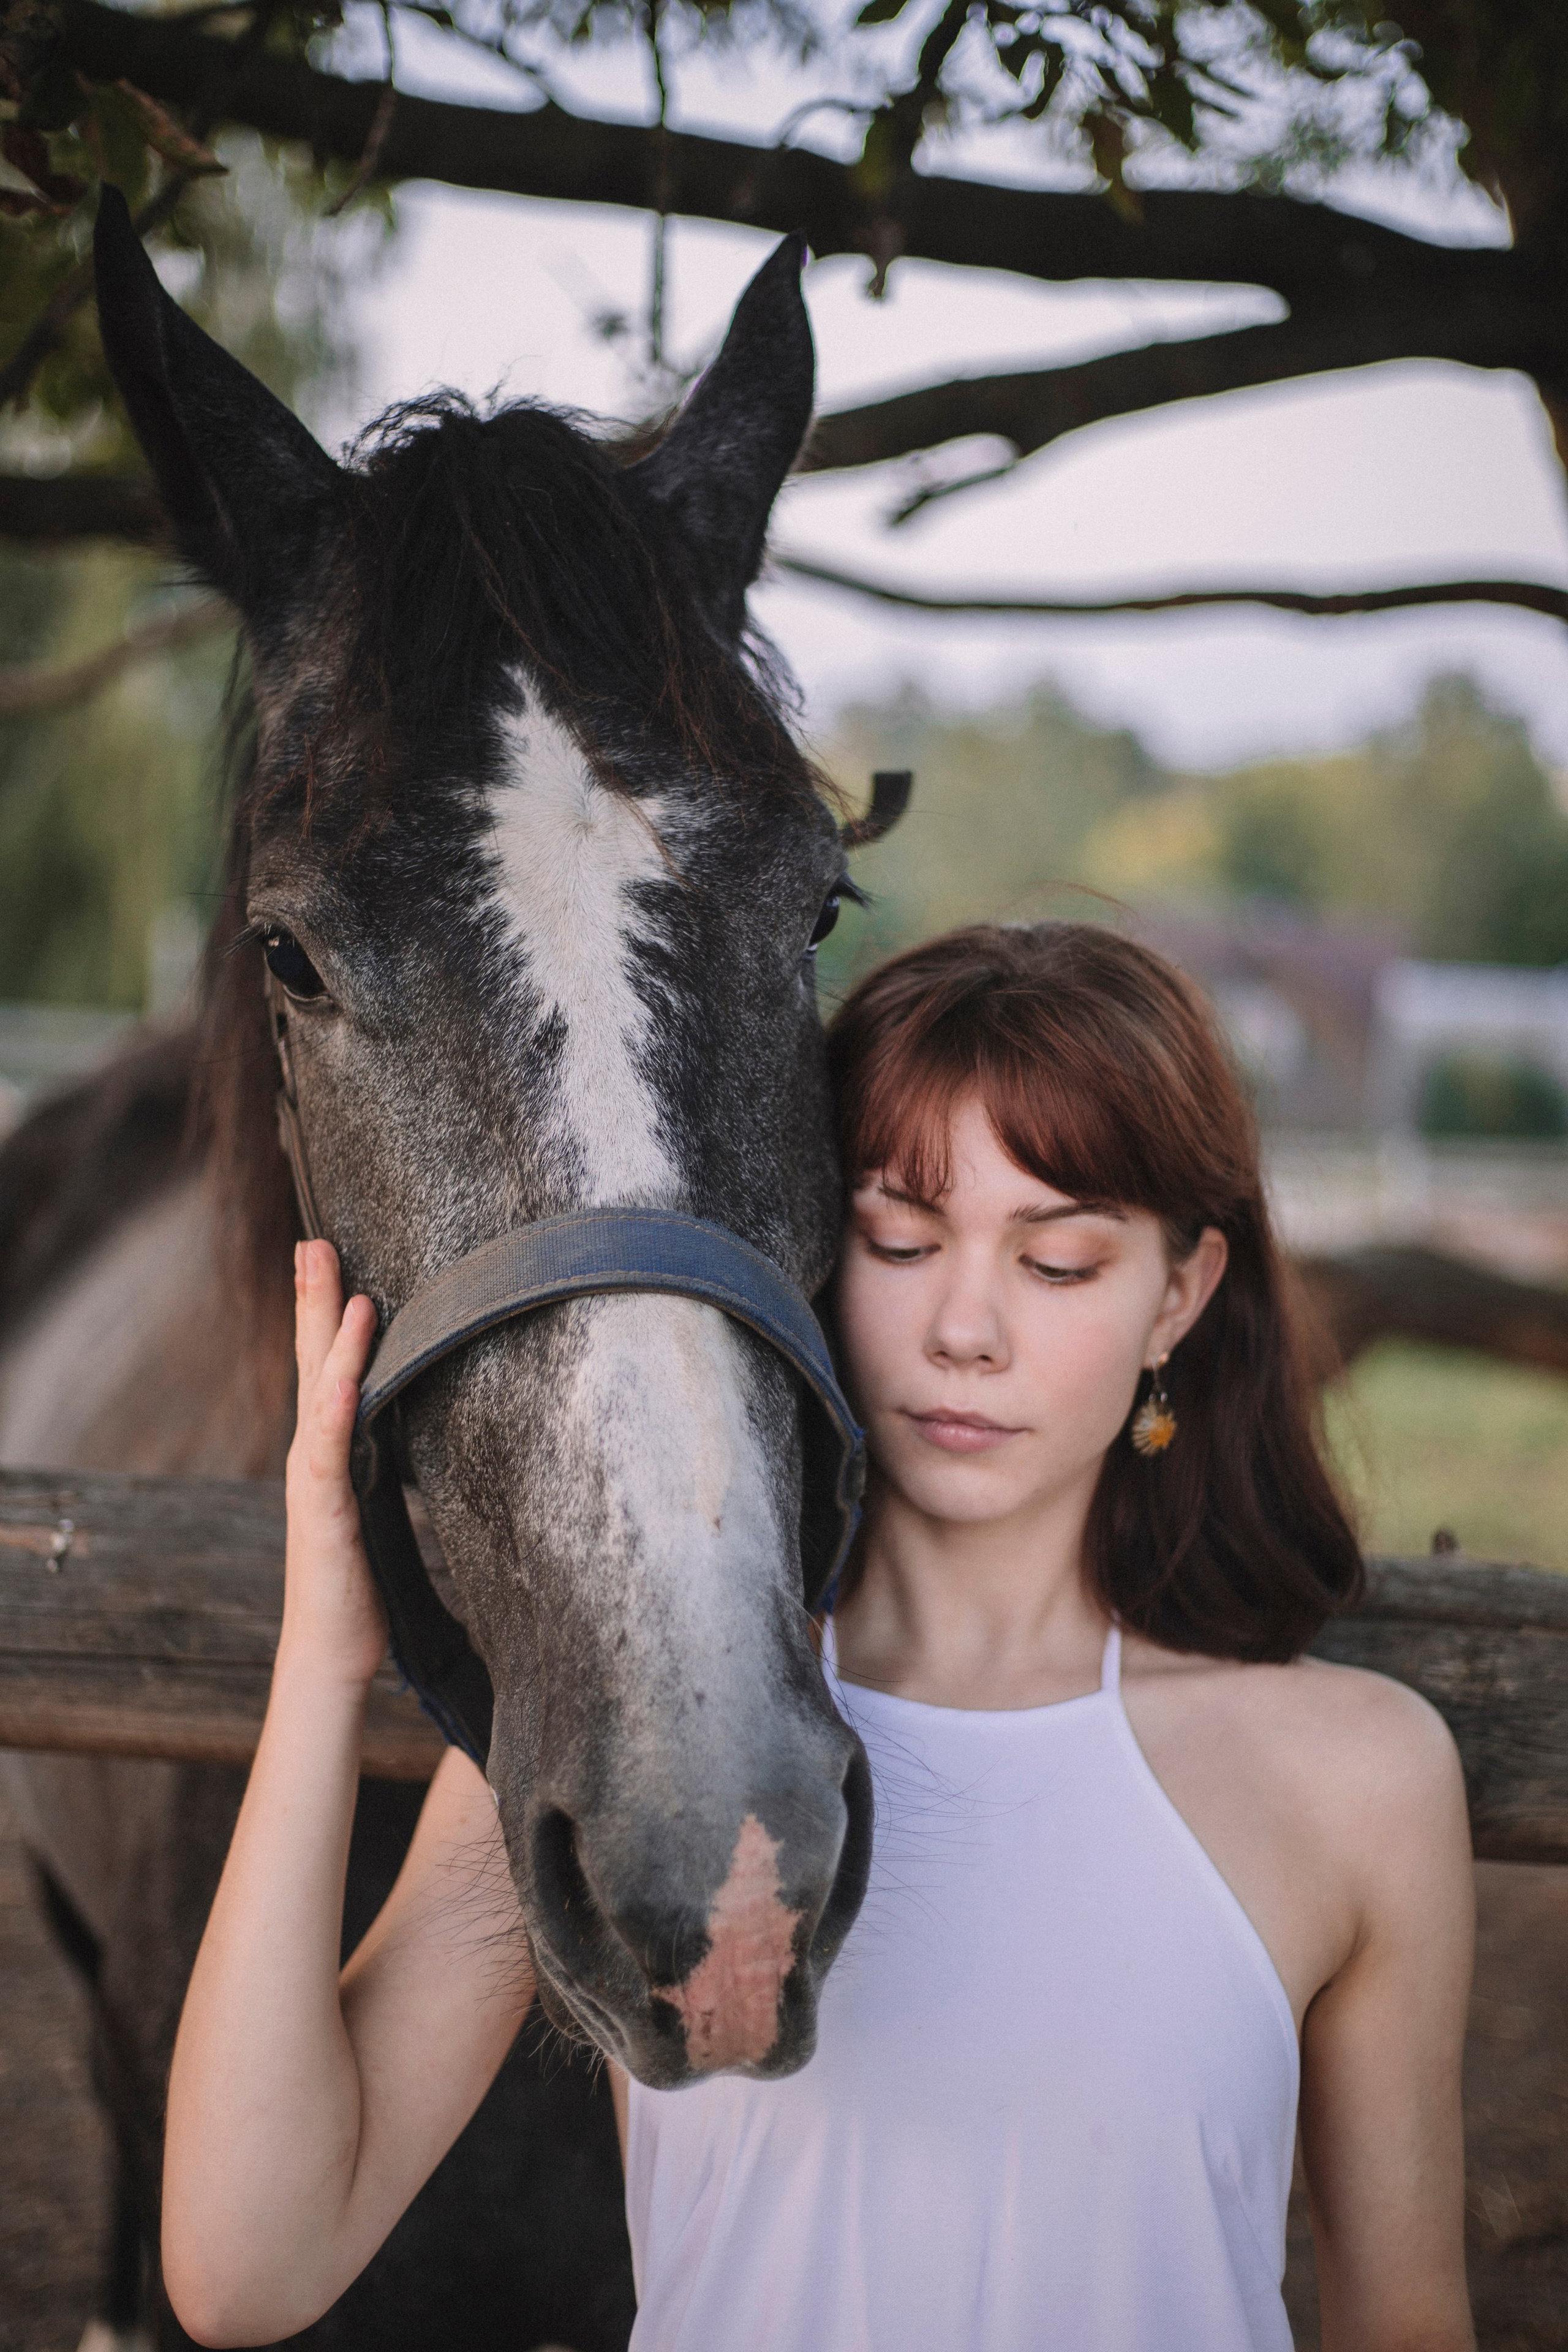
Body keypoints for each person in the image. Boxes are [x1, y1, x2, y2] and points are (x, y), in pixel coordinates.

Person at [162, 921, 1476, 2352]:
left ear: (1178, 1295)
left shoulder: (1356, 1784)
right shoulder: (639, 1726)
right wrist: (324, 1654)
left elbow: (1406, 2324)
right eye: (898, 1241)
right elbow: (245, 2269)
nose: (964, 1329)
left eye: (1056, 1264)